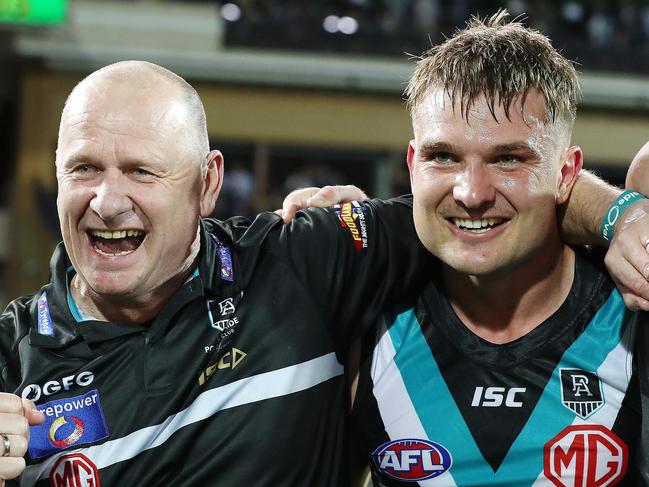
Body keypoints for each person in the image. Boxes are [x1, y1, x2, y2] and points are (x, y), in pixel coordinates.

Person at [0, 58, 646, 487]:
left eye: (141, 170)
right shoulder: (10, 356)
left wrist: (620, 214)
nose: (108, 201)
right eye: (83, 168)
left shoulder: (304, 261)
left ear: (206, 183)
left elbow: (501, 203)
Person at [336, 11, 647, 486]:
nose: (471, 192)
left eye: (508, 159)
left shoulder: (631, 320)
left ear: (567, 174)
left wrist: (625, 211)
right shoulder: (364, 320)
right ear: (414, 164)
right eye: (444, 156)